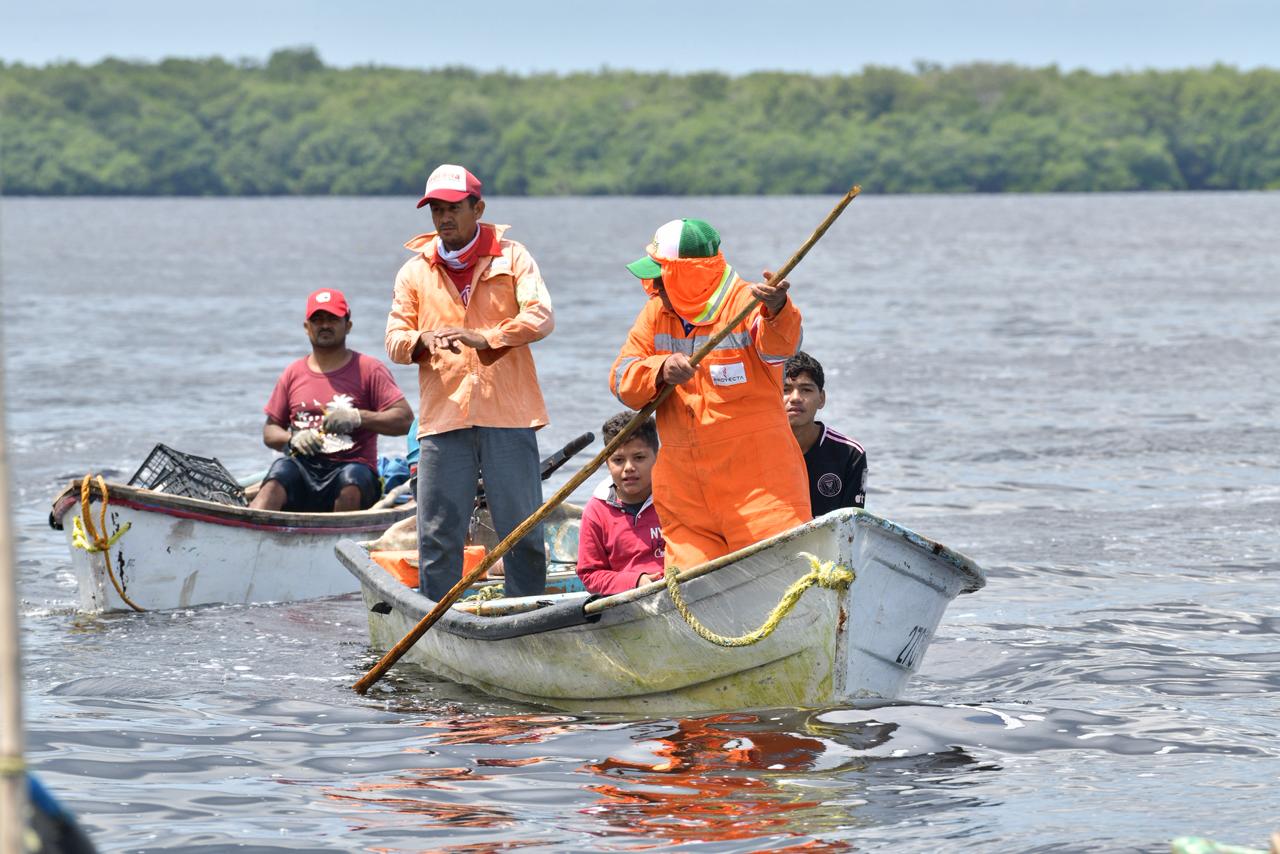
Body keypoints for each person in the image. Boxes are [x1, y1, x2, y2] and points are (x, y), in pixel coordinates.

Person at [385, 163, 554, 601]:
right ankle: (436, 624)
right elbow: (395, 340)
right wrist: (420, 341)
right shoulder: (414, 272)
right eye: (436, 209)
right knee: (438, 535)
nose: (444, 218)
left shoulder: (514, 257)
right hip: (444, 419)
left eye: (453, 208)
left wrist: (487, 337)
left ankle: (526, 615)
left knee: (523, 533)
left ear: (477, 208)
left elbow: (541, 317)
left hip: (510, 414)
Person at [610, 218, 811, 571]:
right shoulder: (655, 313)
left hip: (760, 495)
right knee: (695, 599)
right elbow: (621, 378)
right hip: (686, 504)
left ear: (687, 276)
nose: (653, 287)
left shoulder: (749, 304)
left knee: (781, 580)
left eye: (661, 276)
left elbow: (780, 347)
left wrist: (779, 310)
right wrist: (659, 369)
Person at [252, 288, 413, 512]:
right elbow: (270, 431)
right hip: (303, 468)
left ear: (348, 325)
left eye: (332, 319)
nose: (324, 325)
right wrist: (292, 440)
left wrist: (358, 417)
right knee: (280, 472)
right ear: (307, 327)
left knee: (350, 480)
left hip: (353, 469)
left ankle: (340, 542)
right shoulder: (293, 373)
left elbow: (405, 420)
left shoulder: (369, 369)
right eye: (317, 320)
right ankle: (253, 529)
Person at [576, 412, 666, 595]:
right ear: (607, 464)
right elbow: (589, 575)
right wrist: (635, 581)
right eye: (618, 460)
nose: (629, 468)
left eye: (639, 457)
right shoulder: (596, 511)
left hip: (679, 585)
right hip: (628, 598)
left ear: (657, 457)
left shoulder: (678, 498)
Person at [783, 351, 868, 515]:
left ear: (821, 399)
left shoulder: (850, 454)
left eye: (806, 390)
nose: (795, 398)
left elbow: (851, 525)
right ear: (770, 396)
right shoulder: (755, 448)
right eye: (786, 389)